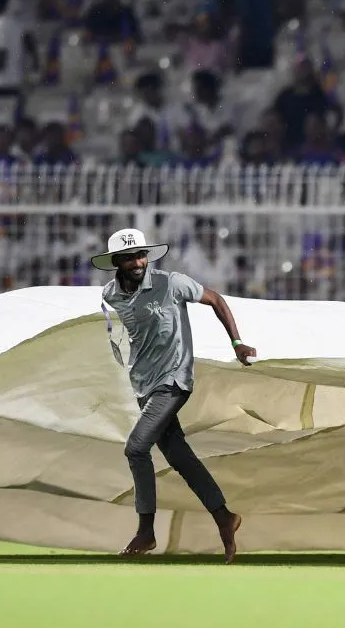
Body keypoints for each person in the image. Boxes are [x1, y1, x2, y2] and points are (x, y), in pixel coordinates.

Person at [91, 228, 254, 563]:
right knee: (180, 457)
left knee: (136, 448)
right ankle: (224, 517)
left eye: (141, 255)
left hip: (174, 380)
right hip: (143, 384)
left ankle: (146, 532)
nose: (138, 262)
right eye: (129, 258)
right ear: (116, 262)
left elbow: (216, 300)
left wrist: (237, 343)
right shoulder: (110, 294)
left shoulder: (172, 283)